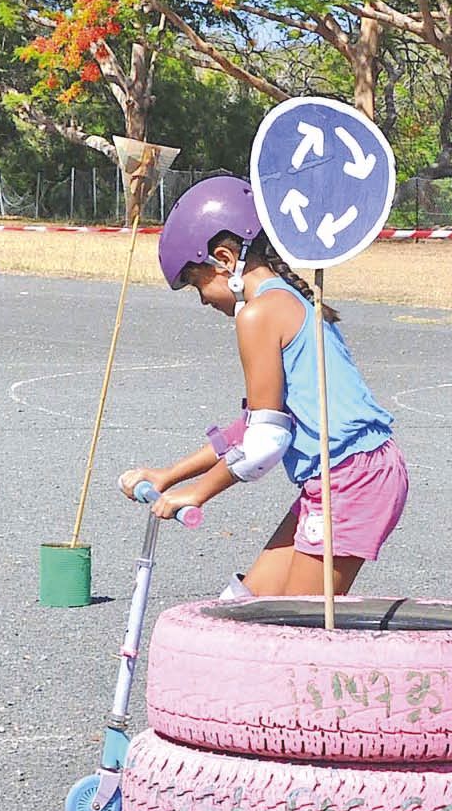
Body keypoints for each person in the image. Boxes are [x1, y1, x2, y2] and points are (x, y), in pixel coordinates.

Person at [120, 176, 409, 598]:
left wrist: (197, 495)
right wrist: (169, 475)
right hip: (347, 473)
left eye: (198, 285)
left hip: (351, 475)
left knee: (296, 630)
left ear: (224, 259)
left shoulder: (258, 315)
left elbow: (265, 443)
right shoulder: (287, 300)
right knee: (244, 606)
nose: (203, 300)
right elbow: (254, 425)